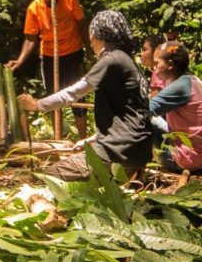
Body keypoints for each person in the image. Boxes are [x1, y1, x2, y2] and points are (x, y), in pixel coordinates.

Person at [17, 10, 152, 181]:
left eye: (90, 36)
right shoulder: (127, 61)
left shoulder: (112, 60)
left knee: (45, 177)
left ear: (99, 36)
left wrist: (37, 105)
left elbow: (72, 93)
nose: (90, 41)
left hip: (117, 153)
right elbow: (126, 117)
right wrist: (92, 140)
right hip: (137, 154)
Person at [6, 0, 89, 140]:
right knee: (53, 96)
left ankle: (83, 140)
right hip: (50, 56)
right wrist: (20, 61)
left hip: (73, 53)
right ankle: (58, 137)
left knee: (78, 97)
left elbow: (81, 25)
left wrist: (89, 50)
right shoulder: (34, 8)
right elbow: (30, 38)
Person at [149, 40, 202, 172]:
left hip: (180, 160)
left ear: (170, 64)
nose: (155, 69)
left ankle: (130, 161)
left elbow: (145, 110)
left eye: (157, 63)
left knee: (142, 116)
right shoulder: (191, 81)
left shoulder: (180, 86)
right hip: (194, 157)